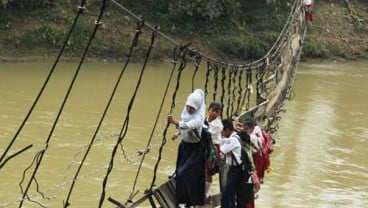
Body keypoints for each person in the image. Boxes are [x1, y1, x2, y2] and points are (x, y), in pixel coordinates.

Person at [167, 89, 206, 207]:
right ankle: (182, 201)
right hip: (185, 146)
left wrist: (175, 122)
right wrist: (178, 133)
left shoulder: (199, 117)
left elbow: (191, 125)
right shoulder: (185, 113)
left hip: (196, 149)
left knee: (185, 173)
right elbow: (184, 124)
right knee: (179, 173)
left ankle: (190, 201)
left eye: (192, 108)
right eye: (188, 106)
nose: (189, 109)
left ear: (198, 107)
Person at [220, 119, 243, 208]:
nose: (222, 134)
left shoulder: (232, 140)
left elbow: (221, 150)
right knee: (231, 193)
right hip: (236, 169)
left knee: (227, 193)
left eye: (222, 131)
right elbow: (223, 142)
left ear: (227, 130)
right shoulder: (236, 137)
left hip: (235, 170)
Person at [204, 101, 224, 202]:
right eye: (213, 110)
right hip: (204, 146)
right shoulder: (204, 120)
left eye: (217, 111)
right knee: (201, 169)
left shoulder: (218, 125)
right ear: (209, 109)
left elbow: (207, 135)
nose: (215, 113)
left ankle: (206, 194)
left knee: (208, 171)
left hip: (212, 148)